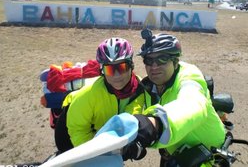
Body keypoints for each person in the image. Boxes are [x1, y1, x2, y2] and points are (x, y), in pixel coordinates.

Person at [123, 29, 226, 167]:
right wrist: (130, 135)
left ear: (176, 62)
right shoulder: (147, 87)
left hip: (208, 157)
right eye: (149, 60)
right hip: (174, 153)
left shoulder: (189, 76)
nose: (154, 66)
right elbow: (133, 109)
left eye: (162, 59)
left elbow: (192, 103)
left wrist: (157, 123)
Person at [54, 37, 147, 153]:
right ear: (102, 70)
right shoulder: (89, 93)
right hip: (69, 132)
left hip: (100, 133)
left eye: (122, 67)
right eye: (110, 70)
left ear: (131, 65)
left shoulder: (139, 89)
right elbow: (78, 130)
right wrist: (96, 154)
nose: (117, 75)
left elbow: (130, 120)